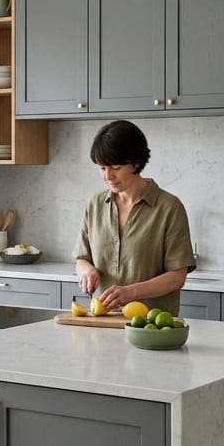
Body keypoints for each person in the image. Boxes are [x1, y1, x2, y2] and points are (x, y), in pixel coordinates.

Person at [74, 119, 197, 315]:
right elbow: (82, 259)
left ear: (136, 163)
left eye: (115, 167)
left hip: (152, 325)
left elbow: (177, 276)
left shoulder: (169, 207)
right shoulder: (94, 205)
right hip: (102, 323)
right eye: (102, 168)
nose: (108, 176)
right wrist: (86, 271)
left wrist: (130, 292)